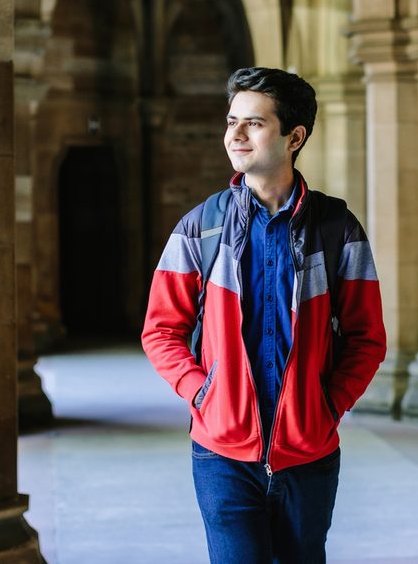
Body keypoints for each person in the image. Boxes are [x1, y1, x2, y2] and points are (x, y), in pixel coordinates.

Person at [141, 66, 387, 563]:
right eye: (231, 121)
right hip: (221, 457)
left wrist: (328, 406)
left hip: (309, 456)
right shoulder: (199, 227)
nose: (234, 134)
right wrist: (204, 393)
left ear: (294, 137)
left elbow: (367, 337)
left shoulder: (337, 227)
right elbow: (160, 330)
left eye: (253, 123)